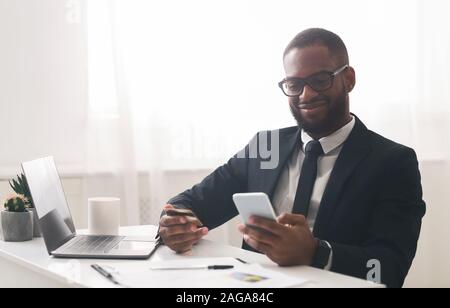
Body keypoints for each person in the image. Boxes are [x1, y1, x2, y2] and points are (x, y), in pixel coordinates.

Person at [158, 28, 426, 288]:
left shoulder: (392, 162)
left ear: (349, 79)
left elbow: (389, 269)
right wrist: (176, 223)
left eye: (321, 80)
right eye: (294, 84)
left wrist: (316, 252)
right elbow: (191, 203)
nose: (306, 95)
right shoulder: (267, 145)